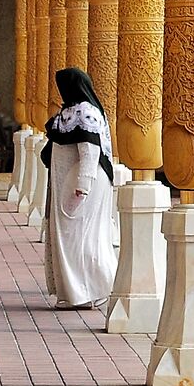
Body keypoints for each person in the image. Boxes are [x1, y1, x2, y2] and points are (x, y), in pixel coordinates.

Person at [41, 67, 117, 311]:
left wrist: (83, 186)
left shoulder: (86, 113)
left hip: (81, 185)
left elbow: (90, 152)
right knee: (69, 238)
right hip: (67, 183)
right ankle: (74, 292)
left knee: (84, 238)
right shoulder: (70, 111)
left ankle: (96, 289)